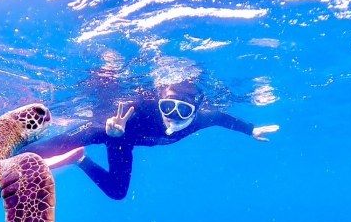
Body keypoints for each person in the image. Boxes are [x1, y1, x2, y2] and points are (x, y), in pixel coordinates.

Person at [27, 80, 279, 200]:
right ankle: (10, 152)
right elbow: (115, 115)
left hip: (126, 142)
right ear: (159, 99)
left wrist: (251, 130)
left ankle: (80, 160)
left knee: (117, 192)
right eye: (168, 107)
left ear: (196, 110)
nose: (173, 117)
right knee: (84, 136)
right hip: (119, 133)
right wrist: (112, 127)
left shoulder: (203, 118)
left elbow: (222, 118)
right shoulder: (143, 107)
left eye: (183, 111)